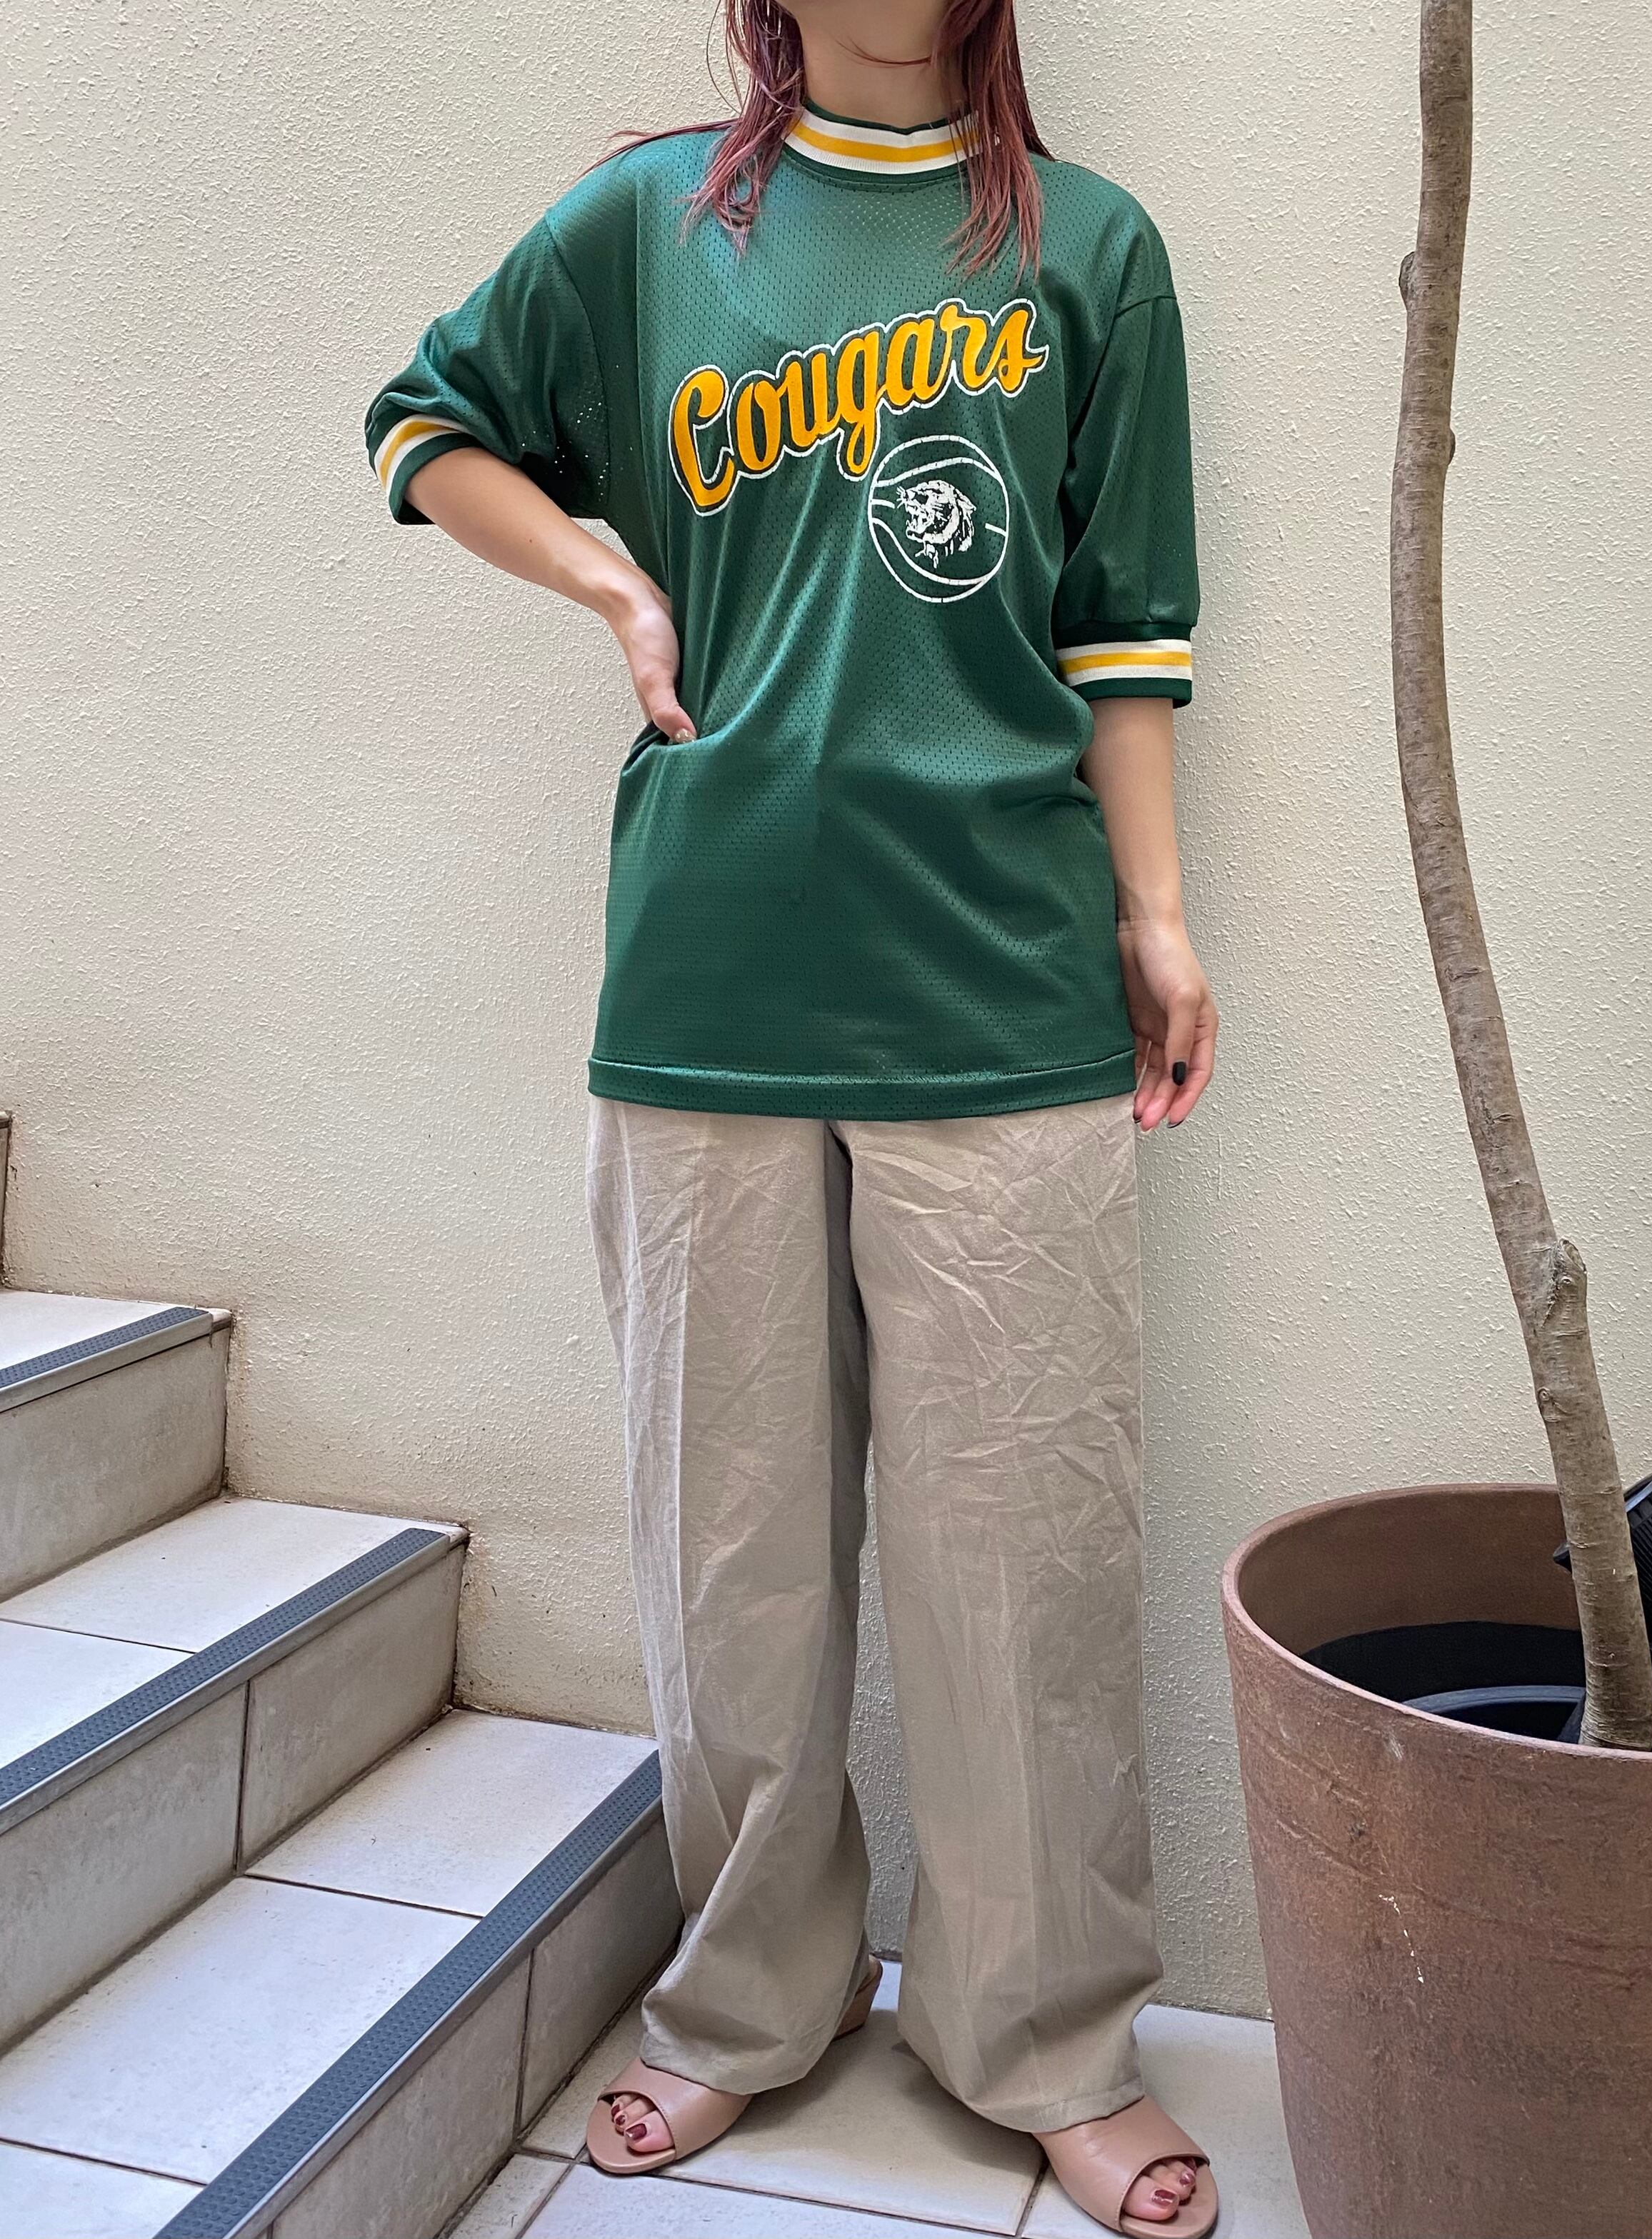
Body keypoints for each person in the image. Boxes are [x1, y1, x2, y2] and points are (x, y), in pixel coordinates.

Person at [364, 2, 1218, 2230]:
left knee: (1021, 1557)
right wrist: (608, 577)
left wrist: (1154, 915)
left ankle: (1039, 2036)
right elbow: (427, 422)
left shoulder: (1089, 249)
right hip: (712, 981)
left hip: (1000, 983)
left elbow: (1125, 625)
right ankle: (751, 1996)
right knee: (730, 1548)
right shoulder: (645, 224)